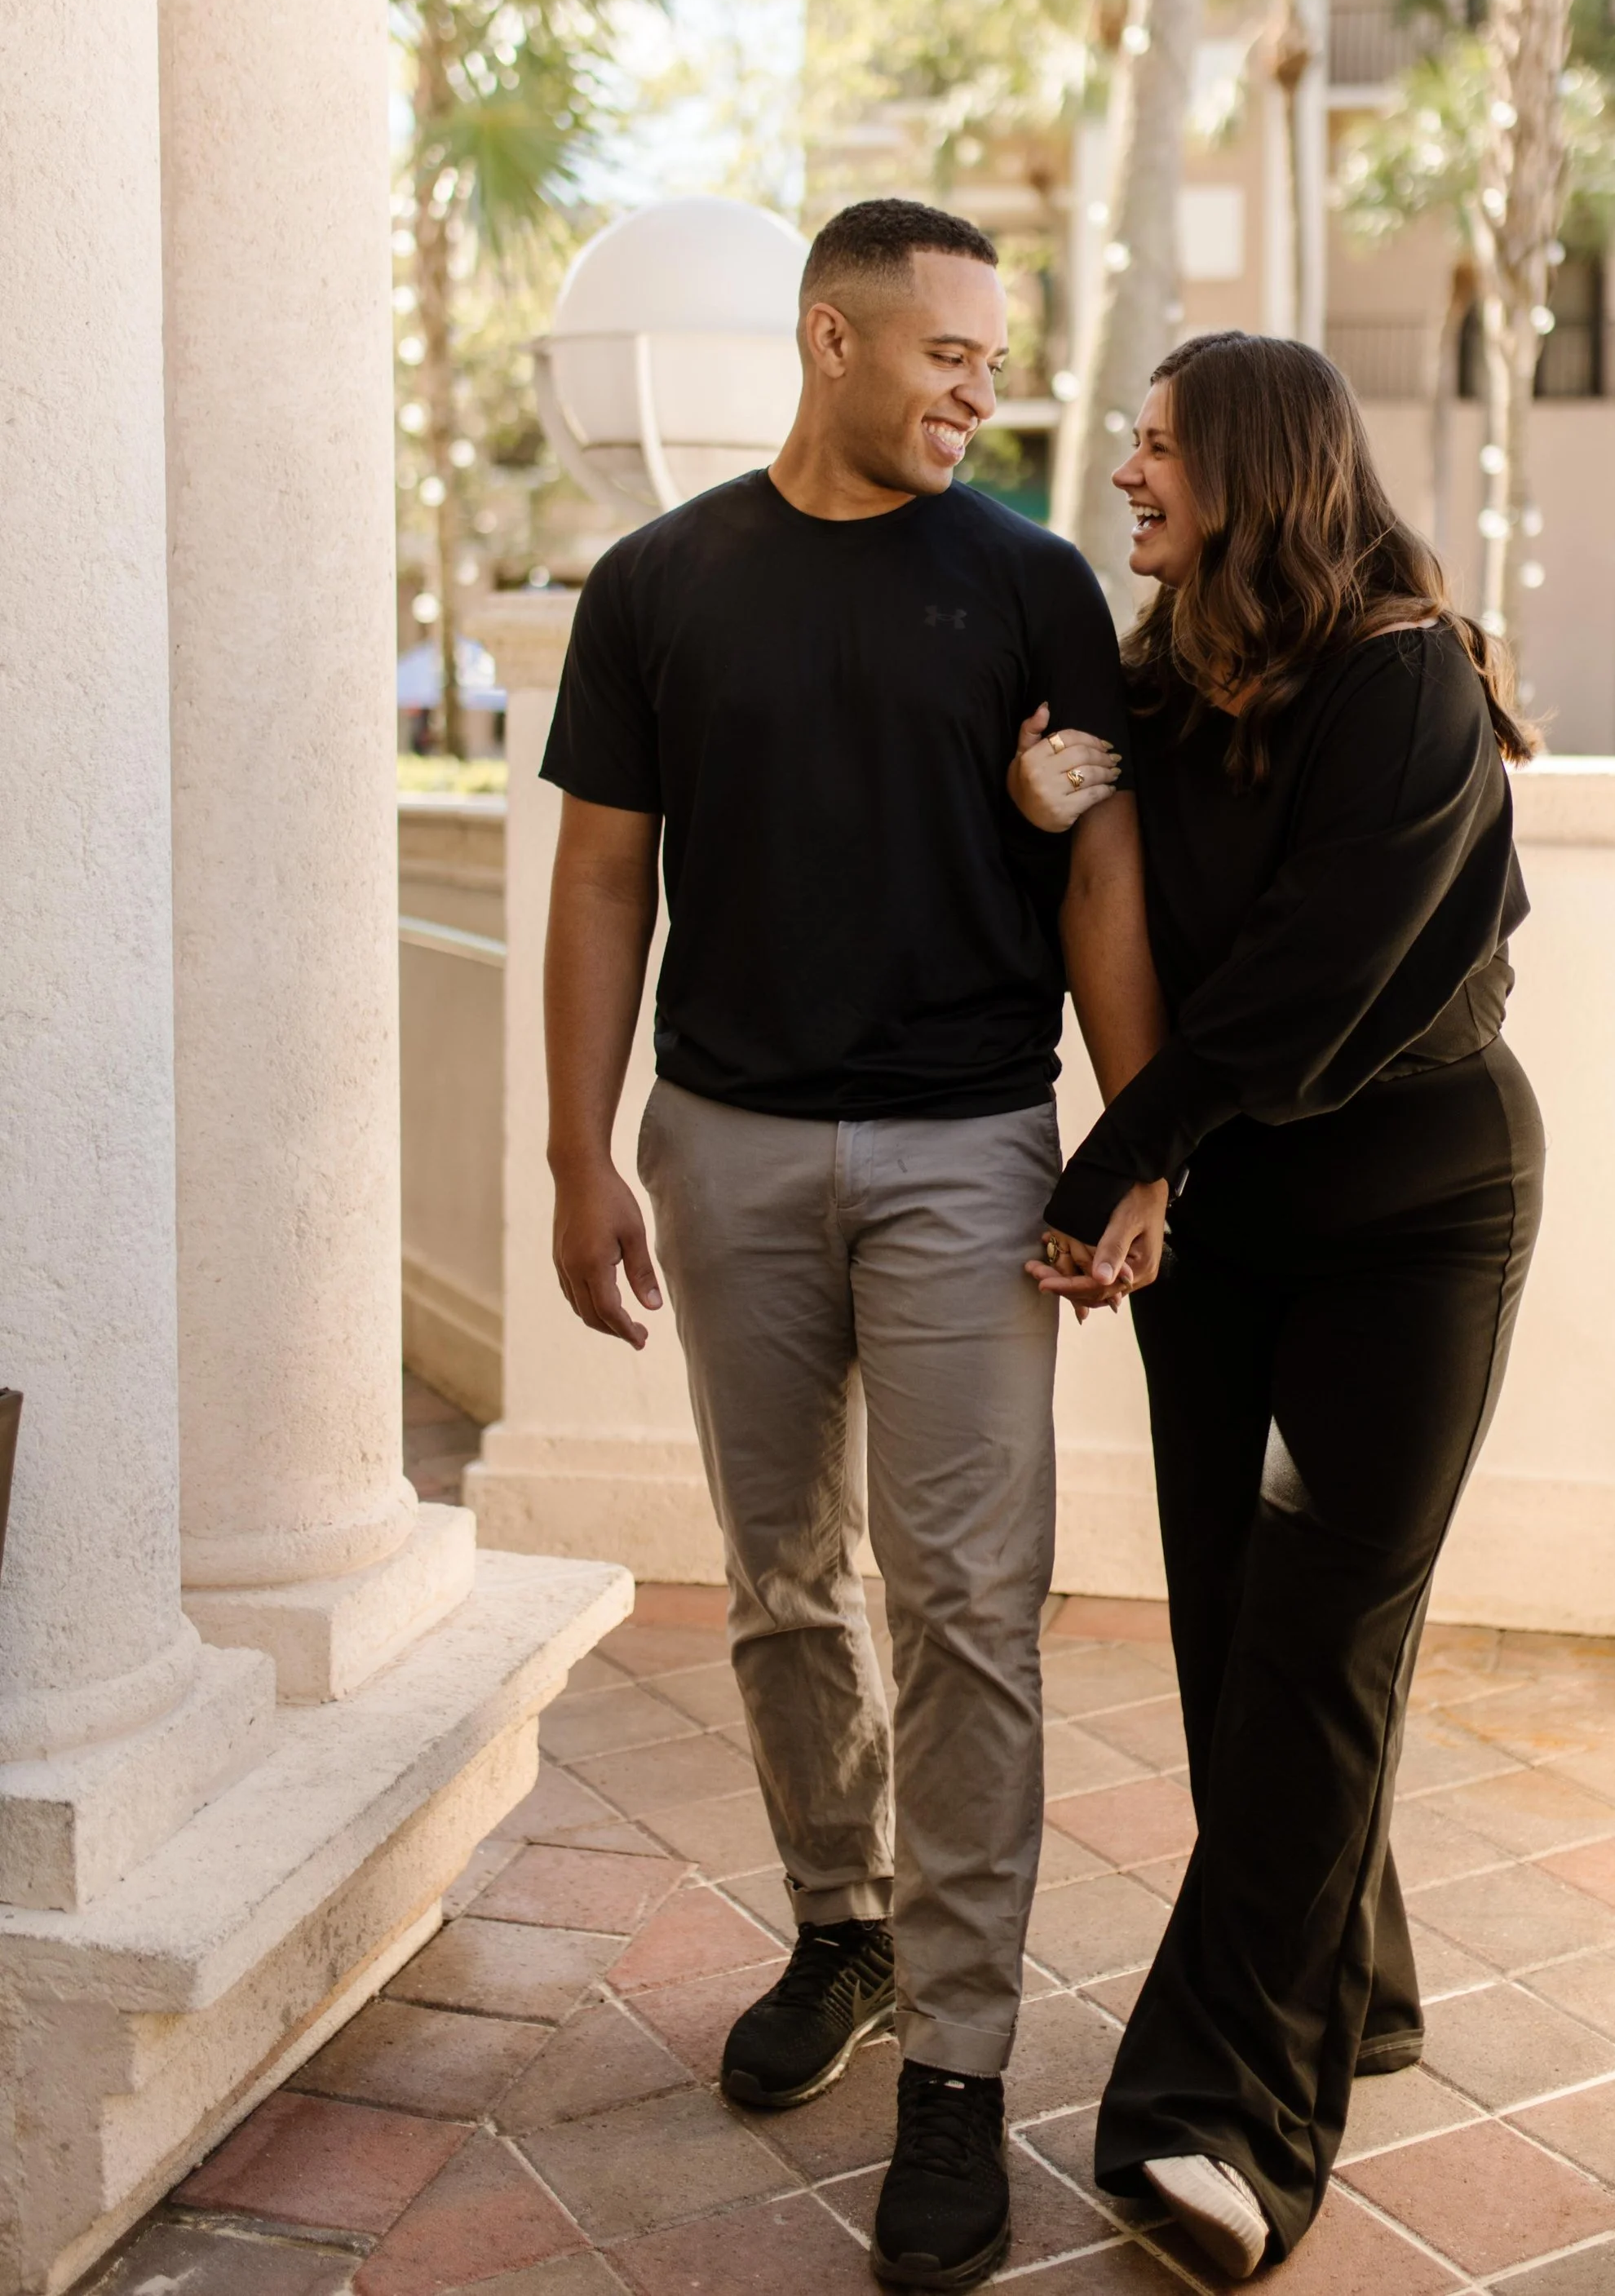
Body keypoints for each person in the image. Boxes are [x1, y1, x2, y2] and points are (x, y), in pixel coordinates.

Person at [540, 197, 1167, 2294]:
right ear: (834, 341)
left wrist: (1127, 1148)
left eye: (996, 358)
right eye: (952, 355)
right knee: (781, 1576)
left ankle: (965, 2068)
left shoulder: (1031, 584)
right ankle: (841, 1929)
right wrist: (575, 1153)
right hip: (721, 1151)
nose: (983, 390)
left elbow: (1100, 886)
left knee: (971, 1607)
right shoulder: (656, 588)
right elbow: (603, 883)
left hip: (971, 1158)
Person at [1011, 330, 1543, 2281]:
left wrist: (1111, 1160)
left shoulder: (1405, 674)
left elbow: (1308, 986)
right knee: (1242, 1633)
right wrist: (1044, 790)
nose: (1128, 477)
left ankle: (1219, 2119)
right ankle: (1355, 1982)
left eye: (1156, 450)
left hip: (1414, 1210)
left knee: (1317, 1636)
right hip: (1227, 1213)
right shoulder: (1166, 680)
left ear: (1249, 465)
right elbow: (1119, 892)